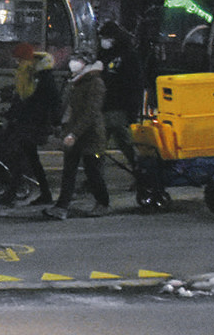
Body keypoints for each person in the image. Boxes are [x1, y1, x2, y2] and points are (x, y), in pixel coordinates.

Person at [47, 50, 110, 220]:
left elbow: (91, 112)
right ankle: (62, 206)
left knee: (93, 171)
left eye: (78, 60)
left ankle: (102, 202)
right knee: (69, 171)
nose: (73, 63)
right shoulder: (76, 81)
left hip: (89, 135)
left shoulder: (95, 83)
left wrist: (74, 133)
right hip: (73, 133)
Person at [0, 43, 60, 206]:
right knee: (30, 159)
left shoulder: (42, 75)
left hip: (35, 123)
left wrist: (56, 123)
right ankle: (44, 193)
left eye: (19, 60)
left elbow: (52, 100)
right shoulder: (26, 74)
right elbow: (20, 99)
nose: (17, 63)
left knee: (19, 156)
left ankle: (11, 193)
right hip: (25, 122)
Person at [98, 20, 145, 173]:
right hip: (105, 106)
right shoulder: (105, 54)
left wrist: (132, 109)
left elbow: (134, 83)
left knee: (124, 142)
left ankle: (141, 171)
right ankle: (95, 176)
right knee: (99, 144)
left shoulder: (128, 55)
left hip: (119, 107)